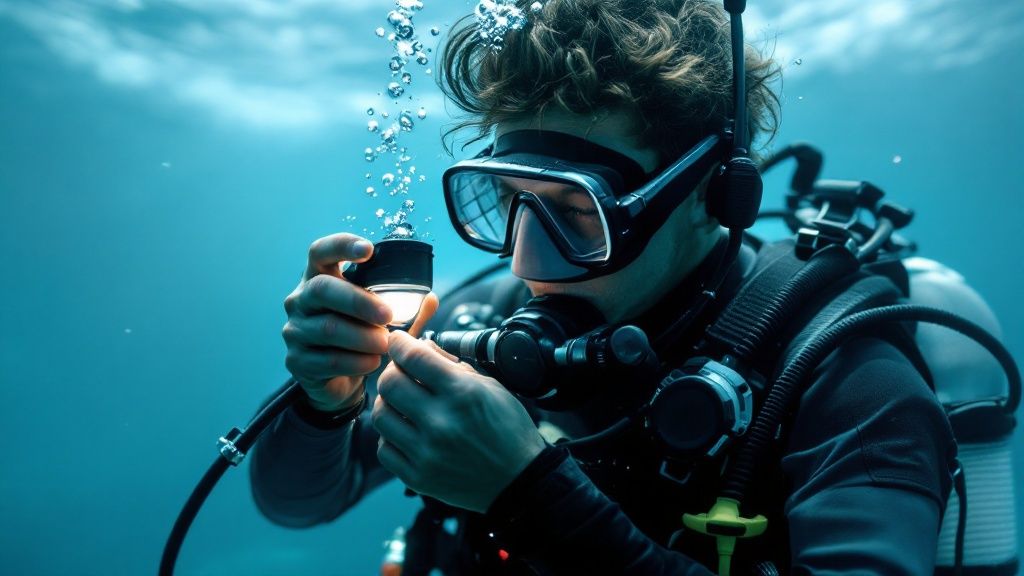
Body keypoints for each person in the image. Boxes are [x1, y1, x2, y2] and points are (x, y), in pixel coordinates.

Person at [250, 1, 957, 574]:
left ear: (710, 193)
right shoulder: (482, 320)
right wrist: (324, 405)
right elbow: (299, 504)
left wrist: (528, 497)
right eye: (507, 202)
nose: (525, 266)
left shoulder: (847, 383)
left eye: (576, 212)